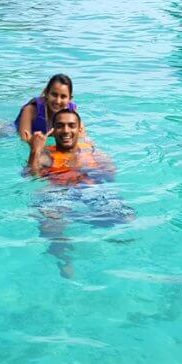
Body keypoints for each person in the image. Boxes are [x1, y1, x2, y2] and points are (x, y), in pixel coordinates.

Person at [26, 109, 133, 278]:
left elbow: (111, 176)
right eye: (60, 126)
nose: (66, 130)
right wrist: (34, 151)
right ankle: (64, 259)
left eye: (71, 126)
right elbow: (31, 176)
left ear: (79, 130)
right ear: (53, 130)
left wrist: (94, 165)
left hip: (90, 188)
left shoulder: (90, 150)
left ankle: (82, 219)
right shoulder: (46, 153)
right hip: (59, 191)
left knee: (127, 218)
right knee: (49, 224)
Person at [15, 74, 80, 144]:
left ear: (70, 99)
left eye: (63, 96)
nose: (58, 101)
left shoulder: (72, 113)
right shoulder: (31, 110)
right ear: (46, 93)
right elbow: (24, 140)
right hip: (11, 131)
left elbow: (82, 137)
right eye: (54, 95)